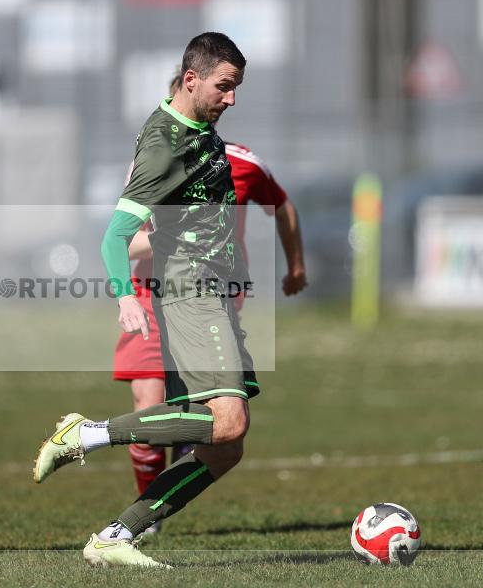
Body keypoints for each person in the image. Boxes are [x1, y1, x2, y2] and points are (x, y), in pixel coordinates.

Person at [34, 32, 260, 568]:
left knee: (225, 448)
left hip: (212, 294)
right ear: (191, 80)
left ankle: (117, 536)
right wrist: (124, 297)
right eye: (224, 86)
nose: (232, 99)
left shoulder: (199, 128)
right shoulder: (165, 143)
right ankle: (86, 434)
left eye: (237, 88)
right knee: (229, 423)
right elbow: (115, 236)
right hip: (190, 294)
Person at [113, 72, 307, 536]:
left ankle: (148, 504)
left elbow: (282, 205)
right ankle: (142, 516)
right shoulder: (154, 160)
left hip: (211, 304)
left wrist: (296, 266)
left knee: (215, 425)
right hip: (152, 297)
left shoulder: (242, 162)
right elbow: (125, 240)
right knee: (147, 400)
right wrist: (169, 235)